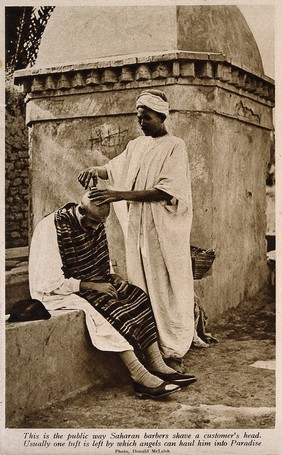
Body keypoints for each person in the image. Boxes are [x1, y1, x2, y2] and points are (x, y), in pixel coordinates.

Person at [29, 191, 197, 399]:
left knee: (137, 297)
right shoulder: (51, 228)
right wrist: (90, 285)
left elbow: (100, 258)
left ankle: (156, 364)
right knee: (110, 309)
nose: (96, 228)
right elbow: (48, 280)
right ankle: (140, 376)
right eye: (93, 222)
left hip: (93, 282)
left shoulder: (95, 221)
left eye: (100, 223)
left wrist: (112, 276)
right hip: (60, 290)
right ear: (80, 211)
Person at [77, 89, 195, 373]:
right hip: (139, 228)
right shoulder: (137, 145)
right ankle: (150, 344)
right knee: (141, 283)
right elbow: (114, 168)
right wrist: (96, 170)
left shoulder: (174, 146)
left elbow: (164, 191)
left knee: (166, 284)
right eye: (139, 117)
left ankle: (174, 345)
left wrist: (119, 195)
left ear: (162, 116)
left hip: (163, 229)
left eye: (147, 118)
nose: (141, 122)